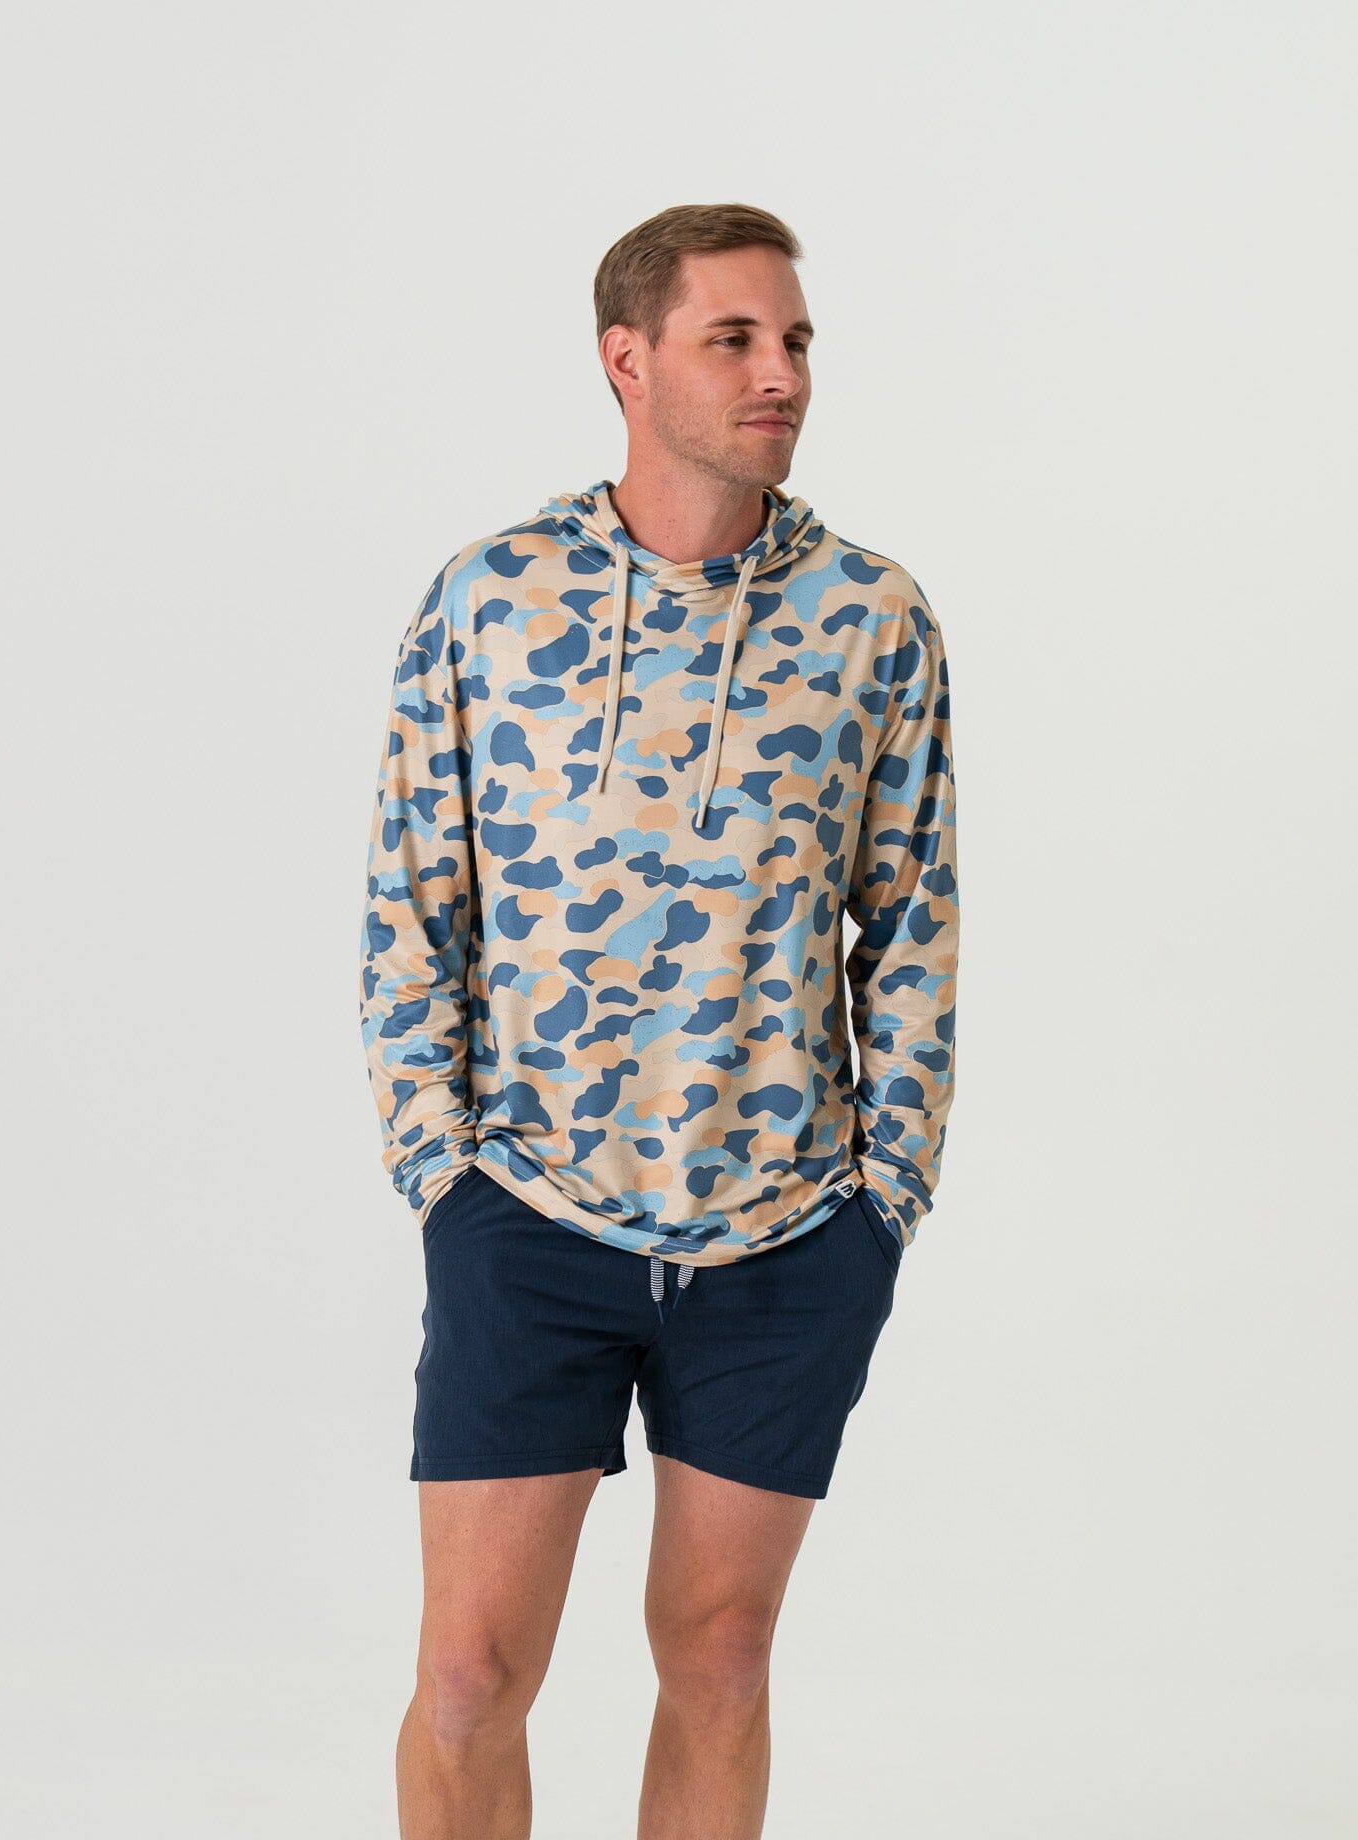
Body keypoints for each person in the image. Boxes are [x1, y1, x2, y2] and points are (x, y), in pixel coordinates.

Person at [356, 201, 960, 1838]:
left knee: (723, 1662)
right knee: (470, 1675)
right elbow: (413, 905)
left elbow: (911, 922)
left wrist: (883, 1196)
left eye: (797, 341)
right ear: (628, 361)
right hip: (527, 1215)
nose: (783, 375)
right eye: (735, 339)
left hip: (787, 1237)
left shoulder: (872, 617)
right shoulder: (492, 600)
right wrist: (442, 1176)